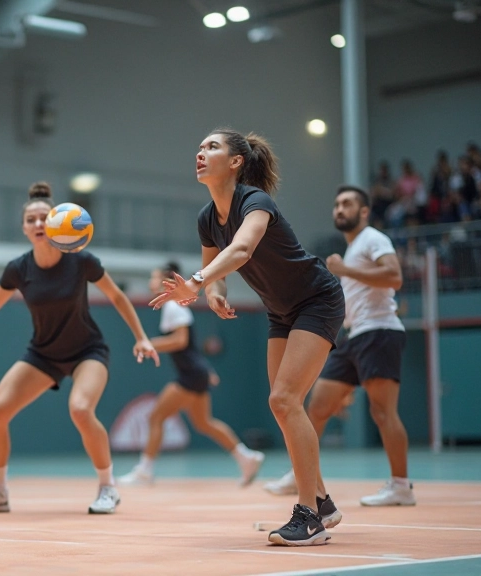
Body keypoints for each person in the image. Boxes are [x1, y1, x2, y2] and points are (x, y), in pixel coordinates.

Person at [152, 129, 344, 546]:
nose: (200, 153)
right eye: (199, 147)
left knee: (284, 399)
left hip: (317, 299)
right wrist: (215, 294)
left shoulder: (255, 201)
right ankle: (324, 503)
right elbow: (217, 269)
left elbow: (239, 251)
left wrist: (200, 282)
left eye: (212, 147)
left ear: (236, 161)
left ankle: (308, 516)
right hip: (281, 311)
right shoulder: (207, 217)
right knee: (282, 405)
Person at [0, 182, 158, 516]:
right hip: (43, 354)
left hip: (87, 351)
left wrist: (141, 336)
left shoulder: (80, 260)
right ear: (24, 228)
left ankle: (108, 488)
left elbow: (117, 296)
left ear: (54, 223)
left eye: (43, 218)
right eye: (31, 220)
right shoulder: (18, 268)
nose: (37, 224)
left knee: (80, 409)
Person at [264, 186, 413, 508]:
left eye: (347, 204)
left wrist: (345, 271)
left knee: (383, 412)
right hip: (353, 336)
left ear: (363, 211)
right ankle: (302, 474)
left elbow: (394, 276)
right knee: (314, 407)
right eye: (336, 205)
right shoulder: (353, 247)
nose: (339, 209)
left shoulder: (373, 238)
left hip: (379, 331)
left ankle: (401, 486)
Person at [118, 262, 264, 487]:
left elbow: (181, 341)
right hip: (196, 373)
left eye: (154, 277)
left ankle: (145, 471)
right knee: (204, 423)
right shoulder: (173, 306)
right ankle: (246, 457)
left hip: (190, 375)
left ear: (165, 281)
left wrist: (149, 343)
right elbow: (189, 346)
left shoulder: (173, 307)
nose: (150, 282)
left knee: (156, 417)